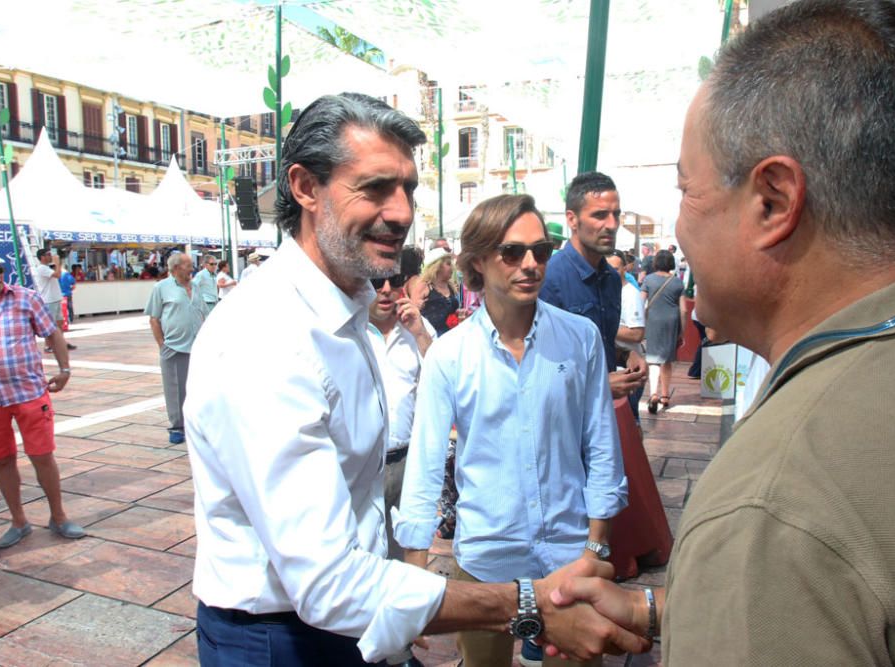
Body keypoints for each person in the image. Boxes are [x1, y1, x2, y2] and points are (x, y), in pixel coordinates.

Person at [549, 1, 895, 663]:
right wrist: (676, 608)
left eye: (687, 189)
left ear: (771, 201)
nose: (679, 228)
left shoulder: (770, 504)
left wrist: (735, 582)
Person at [183, 92, 644, 667]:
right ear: (305, 188)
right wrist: (527, 603)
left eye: (408, 190)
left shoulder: (345, 313)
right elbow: (328, 579)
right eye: (375, 187)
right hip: (280, 637)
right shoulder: (265, 336)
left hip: (351, 619)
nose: (401, 212)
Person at [396, 194, 628, 667]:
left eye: (541, 251)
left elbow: (602, 445)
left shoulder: (579, 336)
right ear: (478, 261)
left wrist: (596, 546)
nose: (531, 264)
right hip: (485, 559)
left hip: (569, 555)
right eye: (512, 252)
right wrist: (415, 577)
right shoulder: (451, 354)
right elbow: (423, 465)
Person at [0, 249, 84, 549]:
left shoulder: (24, 298)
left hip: (28, 391)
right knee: (2, 460)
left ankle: (58, 516)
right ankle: (19, 521)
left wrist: (64, 369)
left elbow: (52, 333)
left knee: (42, 455)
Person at [367, 261, 435, 667]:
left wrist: (422, 334)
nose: (387, 289)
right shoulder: (350, 332)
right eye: (377, 282)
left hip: (405, 462)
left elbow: (447, 377)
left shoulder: (417, 332)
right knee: (364, 553)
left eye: (394, 281)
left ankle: (399, 648)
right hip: (362, 465)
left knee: (404, 554)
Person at [539, 172, 647, 400]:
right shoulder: (549, 279)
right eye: (600, 215)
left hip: (603, 418)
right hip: (565, 424)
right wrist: (600, 386)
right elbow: (538, 368)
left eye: (616, 215)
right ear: (572, 219)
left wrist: (626, 356)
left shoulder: (610, 278)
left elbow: (599, 345)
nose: (612, 225)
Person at [144, 253, 207, 445]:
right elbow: (154, 318)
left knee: (197, 387)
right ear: (177, 268)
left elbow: (205, 313)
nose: (192, 268)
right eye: (188, 265)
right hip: (174, 346)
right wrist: (162, 344)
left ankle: (195, 424)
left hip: (197, 347)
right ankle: (177, 427)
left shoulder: (195, 287)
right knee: (175, 388)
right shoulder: (161, 288)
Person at [639, 250, 685, 414]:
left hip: (653, 320)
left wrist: (640, 323)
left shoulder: (649, 280)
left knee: (653, 360)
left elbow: (641, 302)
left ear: (656, 262)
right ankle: (665, 396)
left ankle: (653, 394)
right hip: (671, 321)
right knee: (667, 359)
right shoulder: (677, 283)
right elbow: (684, 310)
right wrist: (682, 331)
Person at [607, 251, 646, 420]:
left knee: (631, 421)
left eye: (616, 268)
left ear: (625, 268)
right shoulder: (605, 292)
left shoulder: (630, 294)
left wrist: (603, 326)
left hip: (628, 369)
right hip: (611, 369)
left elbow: (637, 333)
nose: (611, 272)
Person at [34, 249, 76, 351]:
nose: (50, 257)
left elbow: (58, 275)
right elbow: (57, 275)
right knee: (50, 325)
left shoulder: (46, 268)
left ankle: (60, 343)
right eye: (48, 255)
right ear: (42, 257)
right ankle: (48, 345)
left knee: (59, 323)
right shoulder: (41, 268)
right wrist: (57, 263)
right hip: (49, 300)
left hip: (55, 299)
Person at [417, 247, 460, 336]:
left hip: (453, 337)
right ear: (437, 266)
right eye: (448, 264)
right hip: (432, 339)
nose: (452, 267)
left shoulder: (451, 286)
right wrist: (418, 307)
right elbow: (413, 311)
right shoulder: (425, 285)